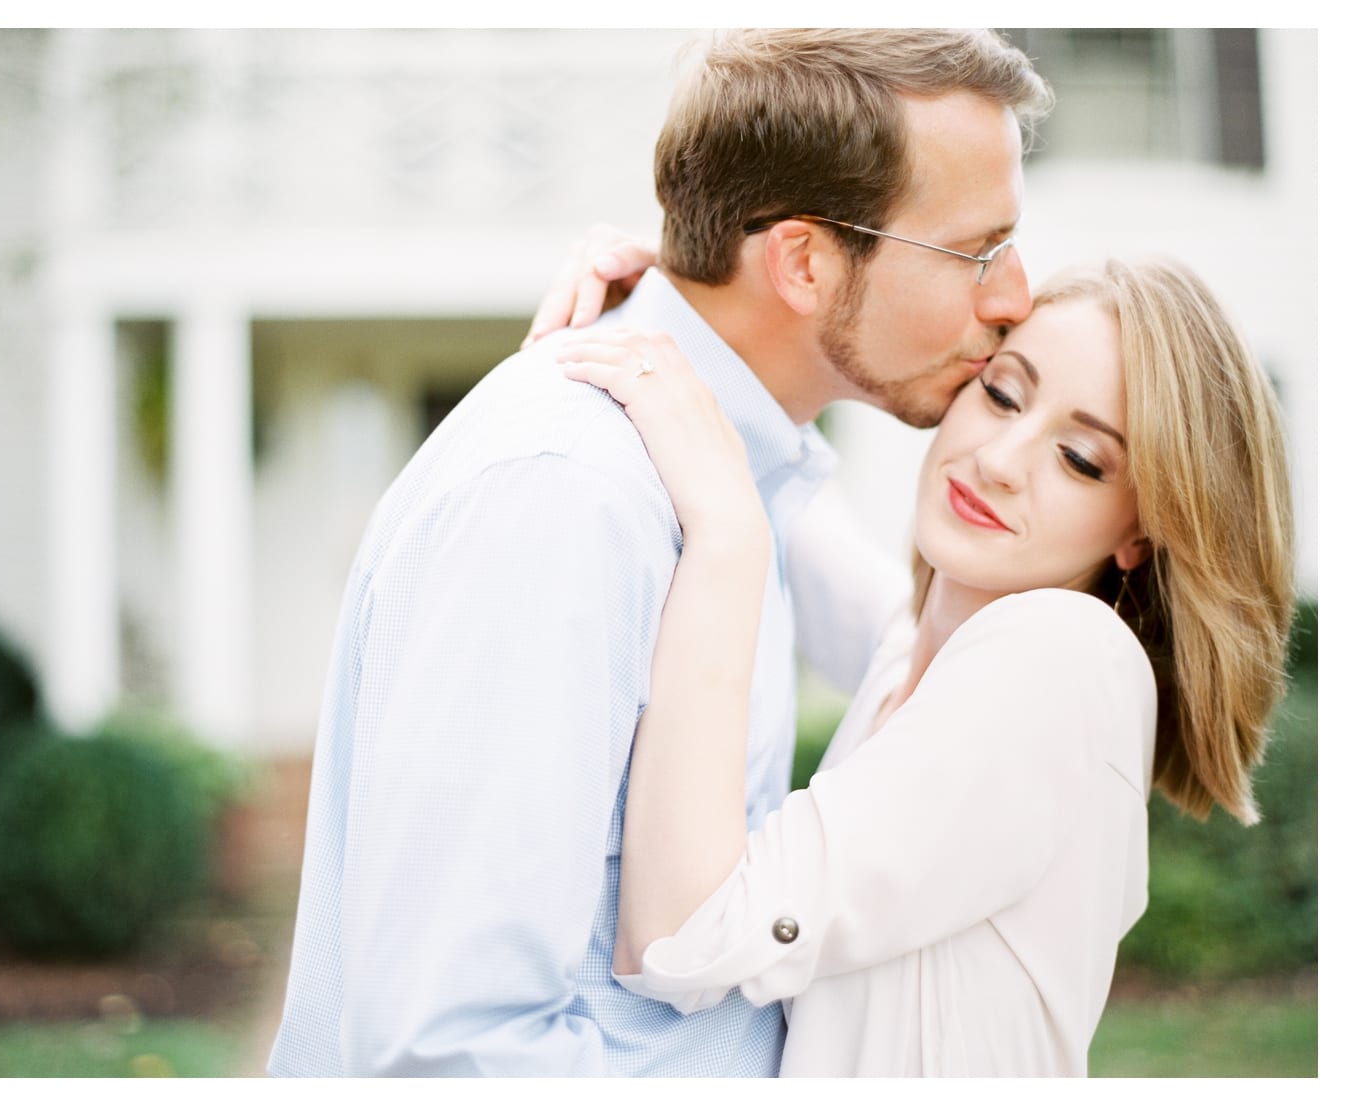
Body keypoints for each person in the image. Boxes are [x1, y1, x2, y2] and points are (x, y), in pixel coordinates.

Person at [268, 29, 1052, 1076]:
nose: (1014, 298)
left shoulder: (731, 471)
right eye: (976, 250)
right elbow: (451, 1052)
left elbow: (930, 680)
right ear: (805, 261)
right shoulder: (568, 493)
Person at [545, 256, 1295, 1075]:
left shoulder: (1068, 658)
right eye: (1003, 393)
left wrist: (727, 533)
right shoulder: (919, 655)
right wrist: (690, 300)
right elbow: (798, 506)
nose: (1001, 459)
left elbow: (686, 937)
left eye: (1081, 458)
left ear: (1140, 536)